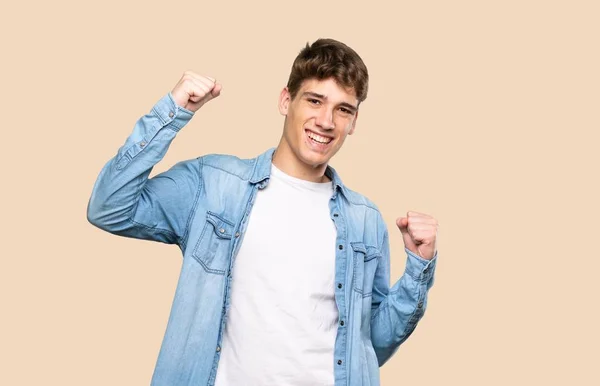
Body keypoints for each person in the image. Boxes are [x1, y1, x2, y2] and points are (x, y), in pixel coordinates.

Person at [87, 38, 439, 386]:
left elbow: (370, 345)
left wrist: (418, 270)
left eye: (343, 109)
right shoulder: (213, 184)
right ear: (286, 100)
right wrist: (173, 111)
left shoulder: (364, 219)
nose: (326, 121)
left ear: (354, 121)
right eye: (314, 101)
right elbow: (109, 207)